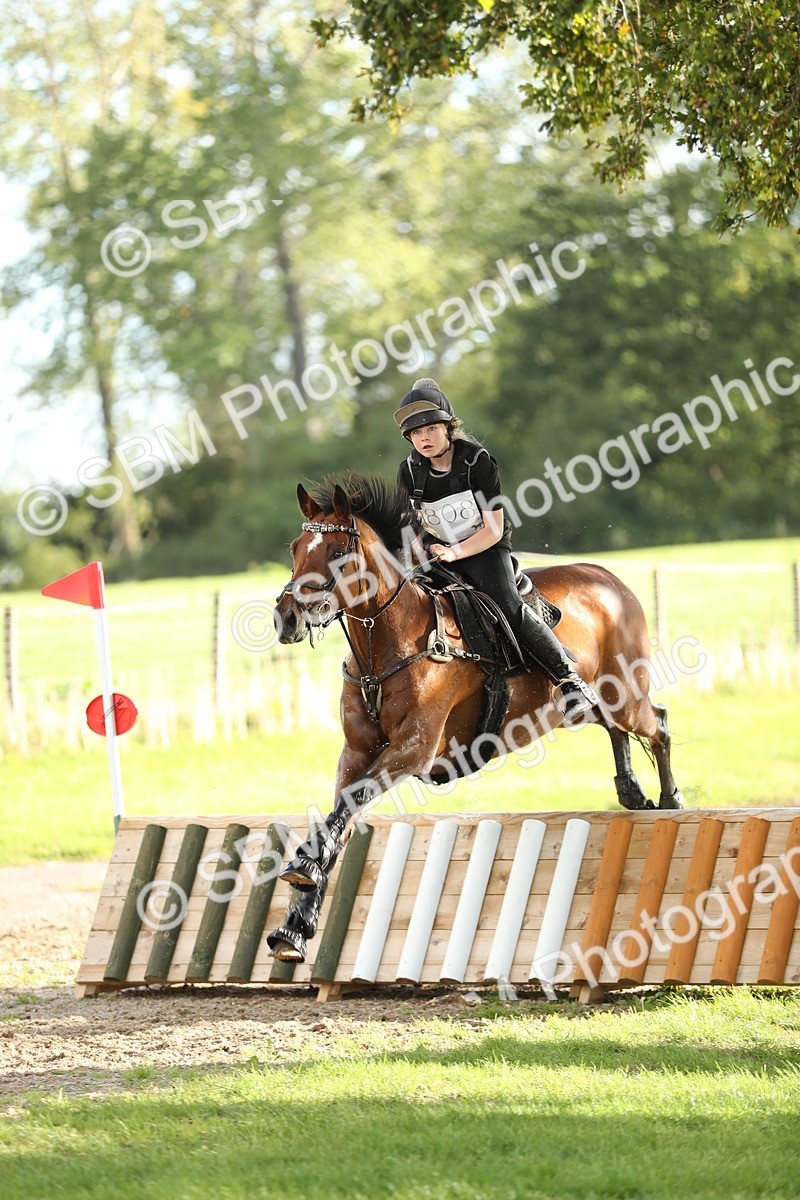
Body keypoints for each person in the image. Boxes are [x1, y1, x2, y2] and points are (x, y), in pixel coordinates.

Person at [395, 377, 599, 721]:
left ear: (449, 427)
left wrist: (455, 552)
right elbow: (409, 524)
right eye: (415, 434)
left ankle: (569, 680)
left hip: (484, 548)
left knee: (508, 604)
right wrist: (419, 551)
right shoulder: (409, 471)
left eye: (430, 429)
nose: (423, 439)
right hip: (437, 552)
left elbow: (493, 528)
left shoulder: (477, 462)